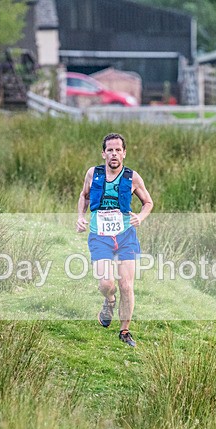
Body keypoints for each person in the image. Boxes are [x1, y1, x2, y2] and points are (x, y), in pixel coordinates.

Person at [76, 133, 153, 347]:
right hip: (100, 237)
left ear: (124, 153)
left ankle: (125, 331)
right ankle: (109, 300)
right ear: (103, 153)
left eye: (118, 150)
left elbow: (148, 202)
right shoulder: (93, 174)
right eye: (110, 150)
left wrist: (141, 216)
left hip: (126, 236)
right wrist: (80, 218)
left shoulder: (132, 177)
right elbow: (84, 195)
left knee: (126, 285)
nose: (114, 153)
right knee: (106, 283)